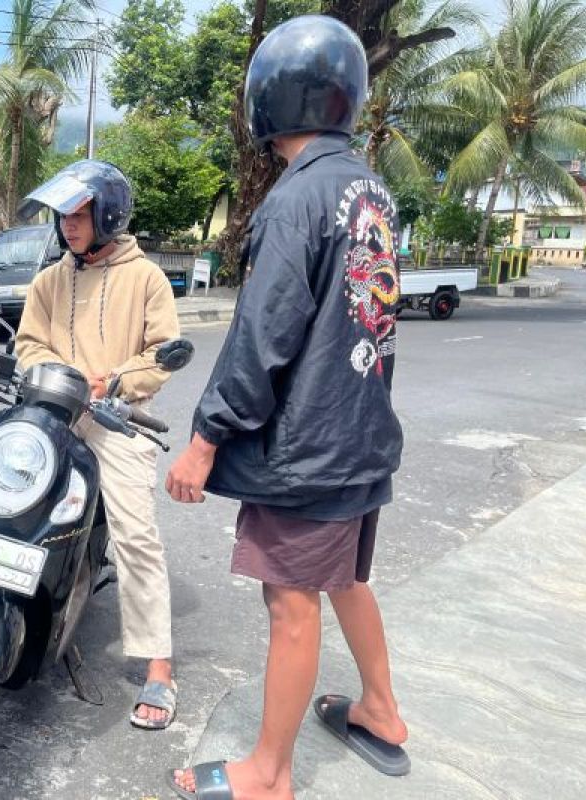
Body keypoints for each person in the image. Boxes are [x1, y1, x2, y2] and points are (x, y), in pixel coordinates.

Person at [165, 15, 409, 799]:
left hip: (306, 449)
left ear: (267, 101)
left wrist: (204, 439)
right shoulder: (373, 190)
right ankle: (380, 709)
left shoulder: (297, 199)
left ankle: (267, 776)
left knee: (292, 600)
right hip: (361, 435)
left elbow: (260, 339)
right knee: (344, 577)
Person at [15, 160, 182, 730]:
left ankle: (158, 665)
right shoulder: (48, 280)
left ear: (108, 213)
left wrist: (112, 382)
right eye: (63, 214)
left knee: (136, 532)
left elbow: (162, 354)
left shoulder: (146, 279)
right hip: (55, 411)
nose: (68, 224)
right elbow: (28, 344)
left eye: (79, 213)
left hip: (117, 419)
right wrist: (54, 376)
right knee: (8, 500)